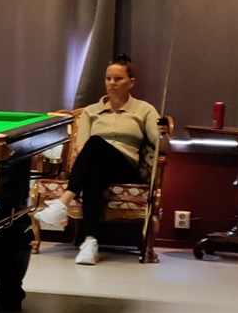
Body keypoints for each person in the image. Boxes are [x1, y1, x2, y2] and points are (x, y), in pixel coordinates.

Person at [34, 54, 168, 265]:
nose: (112, 83)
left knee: (96, 142)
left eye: (118, 79)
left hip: (126, 168)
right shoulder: (91, 111)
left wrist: (163, 133)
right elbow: (80, 147)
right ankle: (90, 243)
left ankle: (64, 201)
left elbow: (160, 145)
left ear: (131, 82)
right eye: (108, 78)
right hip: (97, 165)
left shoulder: (144, 110)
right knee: (96, 167)